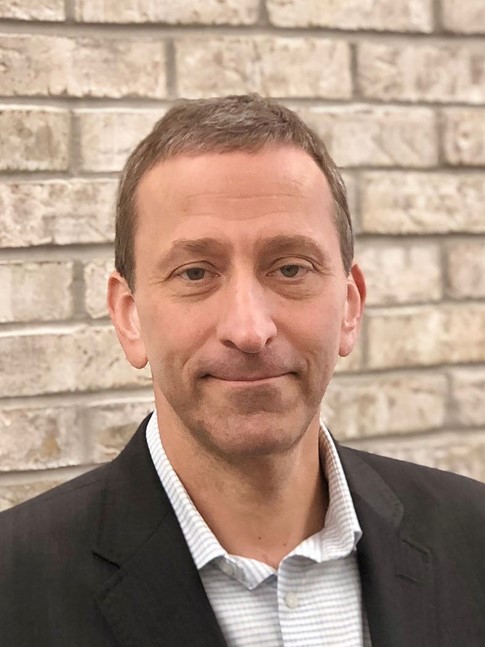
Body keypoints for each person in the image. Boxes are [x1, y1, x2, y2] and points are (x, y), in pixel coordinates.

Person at [1, 94, 484, 647]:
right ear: (129, 317)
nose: (250, 330)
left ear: (350, 308)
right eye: (195, 273)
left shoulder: (473, 538)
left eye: (290, 268)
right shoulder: (14, 586)